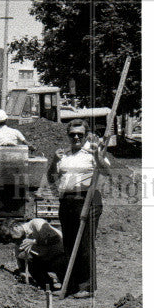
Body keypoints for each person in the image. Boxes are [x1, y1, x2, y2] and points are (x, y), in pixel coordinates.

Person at [47, 119, 111, 298]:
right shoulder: (64, 154)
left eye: (80, 134)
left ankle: (87, 286)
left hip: (88, 198)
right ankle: (70, 283)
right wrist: (54, 161)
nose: (76, 137)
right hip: (67, 200)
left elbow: (106, 171)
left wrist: (97, 155)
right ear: (68, 135)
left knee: (84, 243)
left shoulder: (93, 150)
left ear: (86, 135)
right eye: (72, 134)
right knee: (68, 242)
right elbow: (51, 176)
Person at [3, 217, 65, 290]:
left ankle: (68, 286)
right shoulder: (18, 242)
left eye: (10, 236)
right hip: (48, 260)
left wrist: (34, 242)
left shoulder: (36, 224)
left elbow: (55, 239)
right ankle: (48, 287)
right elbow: (21, 265)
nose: (11, 240)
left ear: (16, 227)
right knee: (30, 262)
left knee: (58, 261)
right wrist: (22, 274)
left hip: (63, 255)